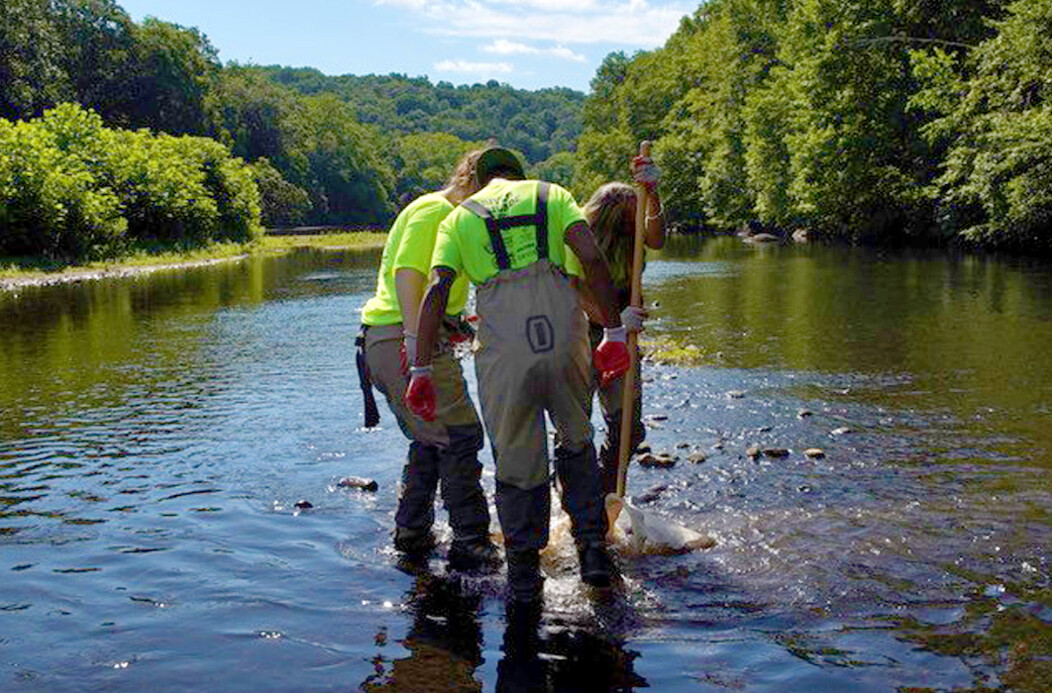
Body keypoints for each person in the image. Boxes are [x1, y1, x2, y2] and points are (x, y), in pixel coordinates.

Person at [405, 146, 631, 605]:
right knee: (576, 436)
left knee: (515, 460)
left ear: (481, 180)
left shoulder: (457, 219)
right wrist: (614, 331)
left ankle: (525, 577)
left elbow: (437, 290)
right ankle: (592, 554)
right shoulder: (553, 195)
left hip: (504, 348)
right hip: (563, 335)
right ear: (517, 175)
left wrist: (421, 368)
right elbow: (590, 259)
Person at [356, 149, 499, 572]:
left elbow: (442, 293)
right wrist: (417, 352)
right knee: (460, 436)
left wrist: (454, 325)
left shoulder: (458, 218)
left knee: (432, 438)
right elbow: (409, 277)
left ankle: (412, 534)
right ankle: (472, 543)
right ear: (472, 180)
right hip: (403, 339)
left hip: (401, 338)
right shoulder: (435, 210)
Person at [565, 155, 665, 494]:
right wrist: (613, 323)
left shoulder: (634, 239)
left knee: (629, 429)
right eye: (625, 217)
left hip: (622, 331)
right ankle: (572, 492)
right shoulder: (579, 233)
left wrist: (652, 193)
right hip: (583, 330)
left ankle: (606, 493)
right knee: (575, 426)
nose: (631, 223)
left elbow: (656, 237)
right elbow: (573, 289)